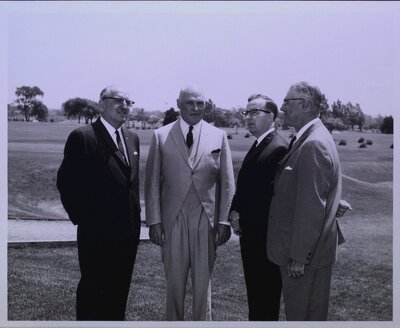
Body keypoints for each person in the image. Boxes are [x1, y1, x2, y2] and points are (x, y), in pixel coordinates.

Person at [145, 86, 235, 320]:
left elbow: (227, 183)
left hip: (206, 219)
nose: (196, 108)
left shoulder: (218, 135)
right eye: (190, 103)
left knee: (203, 287)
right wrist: (154, 220)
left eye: (201, 103)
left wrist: (224, 220)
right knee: (174, 284)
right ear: (178, 104)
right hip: (173, 219)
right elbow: (152, 182)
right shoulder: (161, 136)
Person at [57, 86, 141, 320]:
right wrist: (85, 219)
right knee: (93, 295)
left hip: (128, 234)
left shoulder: (132, 139)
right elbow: (66, 183)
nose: (124, 105)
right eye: (118, 100)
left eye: (128, 101)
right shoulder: (83, 137)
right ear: (101, 103)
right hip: (96, 235)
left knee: (118, 296)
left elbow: (129, 184)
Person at [267, 81, 345, 321]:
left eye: (287, 102)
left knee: (302, 315)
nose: (282, 107)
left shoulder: (313, 144)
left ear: (305, 105)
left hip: (305, 258)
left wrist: (299, 257)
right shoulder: (313, 137)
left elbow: (311, 207)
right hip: (311, 252)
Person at [229, 94, 288, 321]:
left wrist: (243, 217)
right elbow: (246, 185)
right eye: (247, 112)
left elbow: (271, 198)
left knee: (265, 302)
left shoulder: (278, 148)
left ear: (271, 117)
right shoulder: (259, 144)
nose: (248, 117)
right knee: (257, 300)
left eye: (255, 112)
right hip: (252, 238)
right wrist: (235, 210)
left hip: (265, 241)